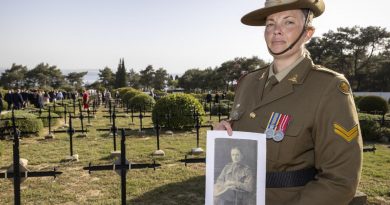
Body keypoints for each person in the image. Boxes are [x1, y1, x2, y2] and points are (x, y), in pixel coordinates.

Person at [215, 0, 363, 204]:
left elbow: (340, 181)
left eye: (288, 22)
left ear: (308, 33)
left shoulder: (329, 87)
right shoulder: (247, 82)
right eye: (270, 23)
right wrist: (224, 137)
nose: (276, 31)